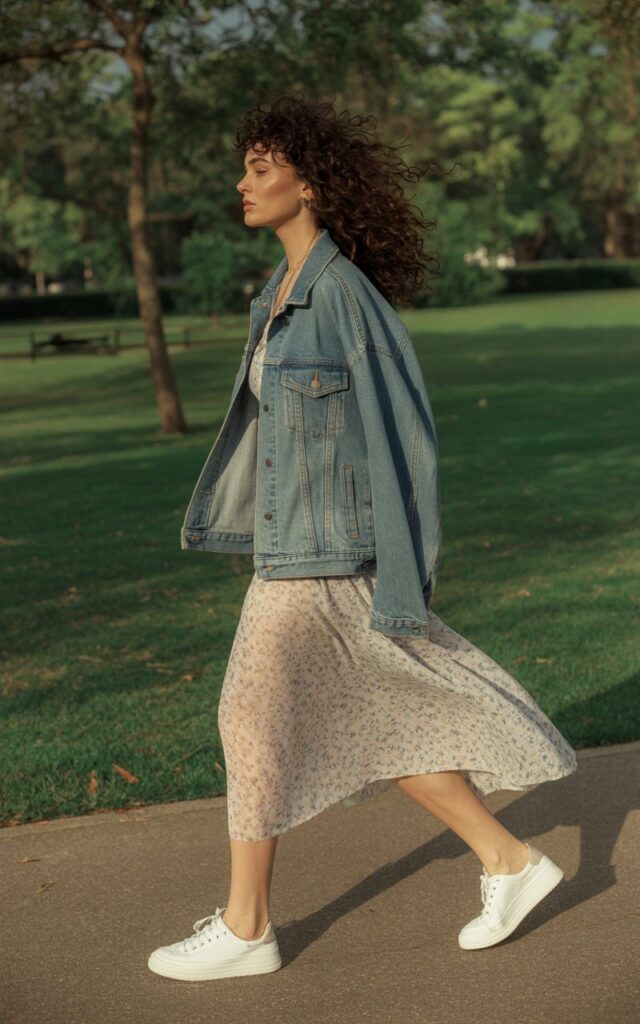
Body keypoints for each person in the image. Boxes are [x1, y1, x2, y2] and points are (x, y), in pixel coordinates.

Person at [148, 95, 577, 981]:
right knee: (378, 722)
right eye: (247, 167)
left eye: (261, 169)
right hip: (294, 551)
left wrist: (407, 579)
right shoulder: (279, 295)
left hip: (334, 557)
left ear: (310, 185)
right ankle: (510, 860)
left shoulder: (342, 297)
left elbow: (403, 440)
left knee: (252, 717)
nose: (243, 182)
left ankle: (247, 925)